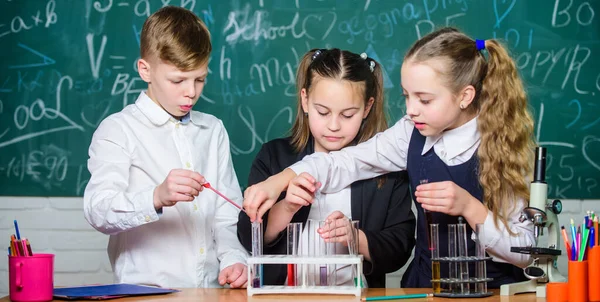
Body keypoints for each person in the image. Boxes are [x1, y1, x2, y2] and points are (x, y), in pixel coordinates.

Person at [242, 27, 536, 288]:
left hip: (493, 293)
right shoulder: (411, 134)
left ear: (465, 96)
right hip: (425, 288)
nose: (411, 109)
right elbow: (343, 162)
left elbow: (527, 251)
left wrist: (469, 207)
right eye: (407, 96)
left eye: (424, 99)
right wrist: (280, 181)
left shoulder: (502, 148)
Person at [83, 6, 247, 288]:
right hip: (145, 293)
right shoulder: (119, 130)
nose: (191, 92)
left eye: (200, 79)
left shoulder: (213, 130)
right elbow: (98, 211)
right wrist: (156, 196)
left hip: (211, 291)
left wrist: (234, 258)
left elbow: (226, 213)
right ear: (145, 70)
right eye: (178, 80)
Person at [237, 48, 415, 288]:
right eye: (323, 112)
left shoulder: (386, 167)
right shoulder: (274, 156)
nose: (333, 126)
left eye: (347, 115)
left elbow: (400, 247)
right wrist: (287, 207)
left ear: (367, 107)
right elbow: (248, 237)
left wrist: (356, 239)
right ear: (305, 100)